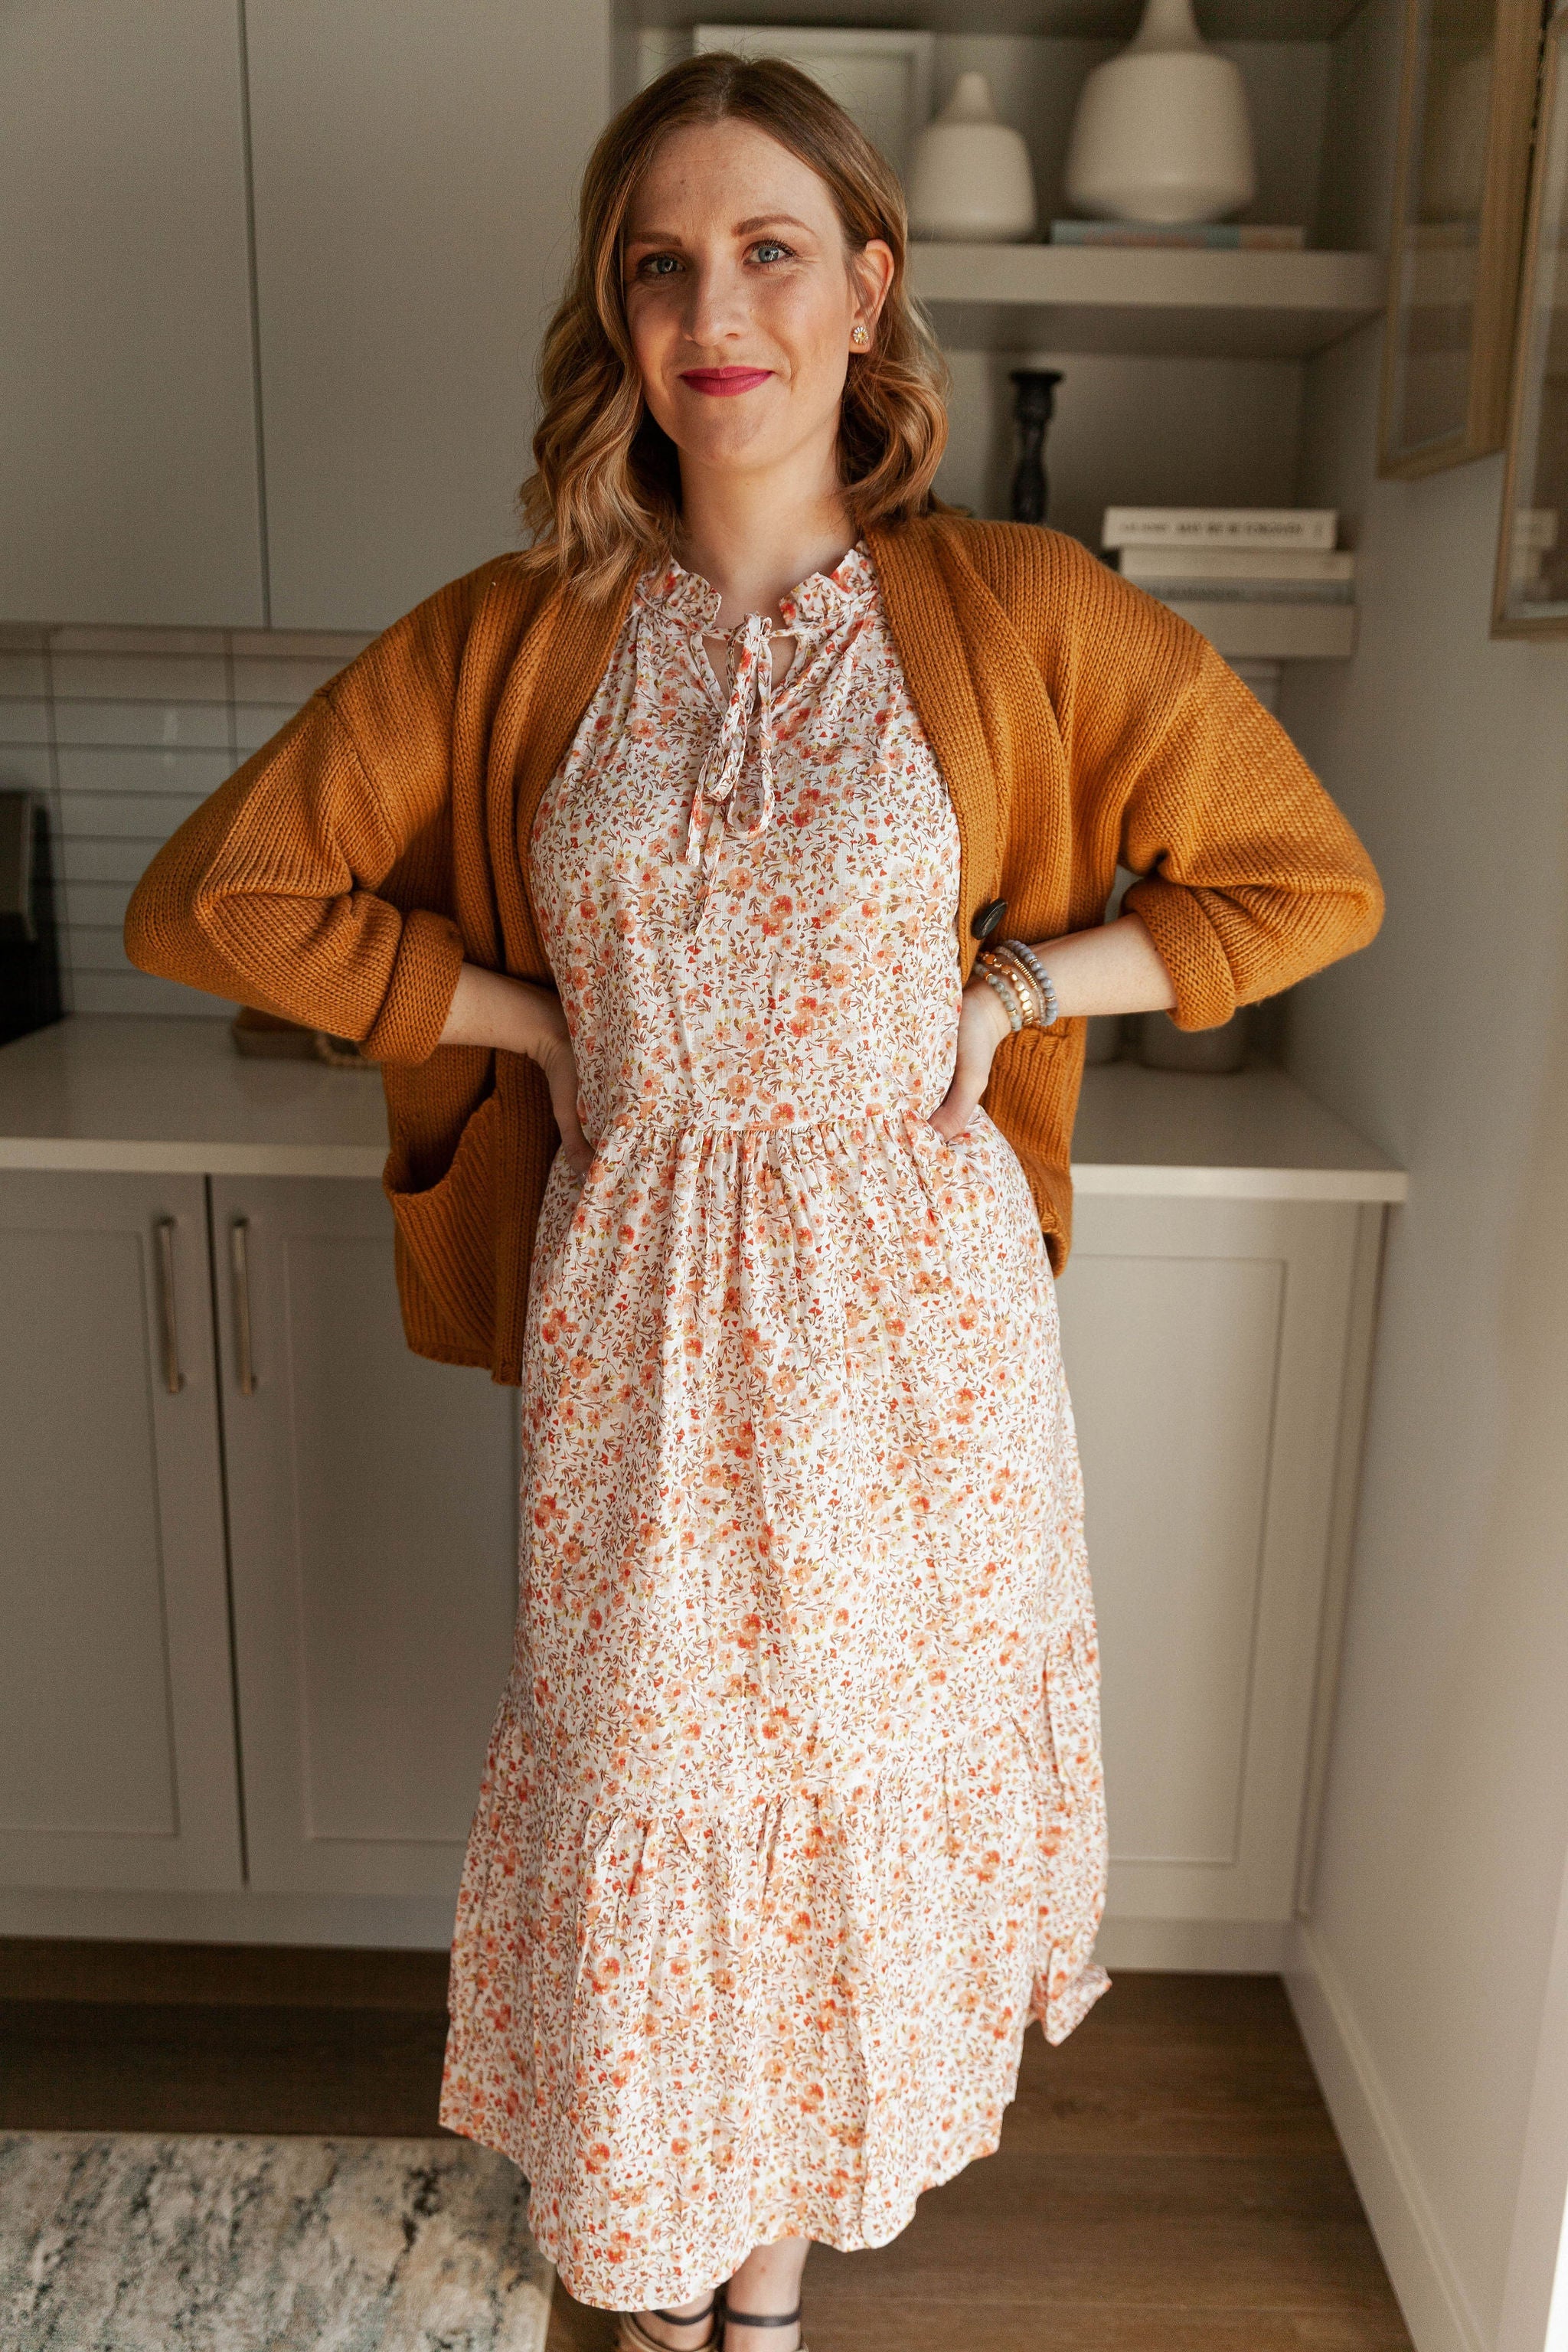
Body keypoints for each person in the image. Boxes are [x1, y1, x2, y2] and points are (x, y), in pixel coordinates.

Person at [124, 50, 1384, 2352]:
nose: (716, 312)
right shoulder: (514, 634)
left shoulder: (1017, 609)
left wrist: (1021, 980)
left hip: (923, 1347)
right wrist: (516, 1017)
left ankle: (765, 2291)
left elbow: (1304, 880)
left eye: (770, 251)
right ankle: (660, 2245)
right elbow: (221, 898)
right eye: (661, 263)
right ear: (614, 311)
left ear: (869, 289)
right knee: (655, 1782)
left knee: (841, 1803)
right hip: (640, 1330)